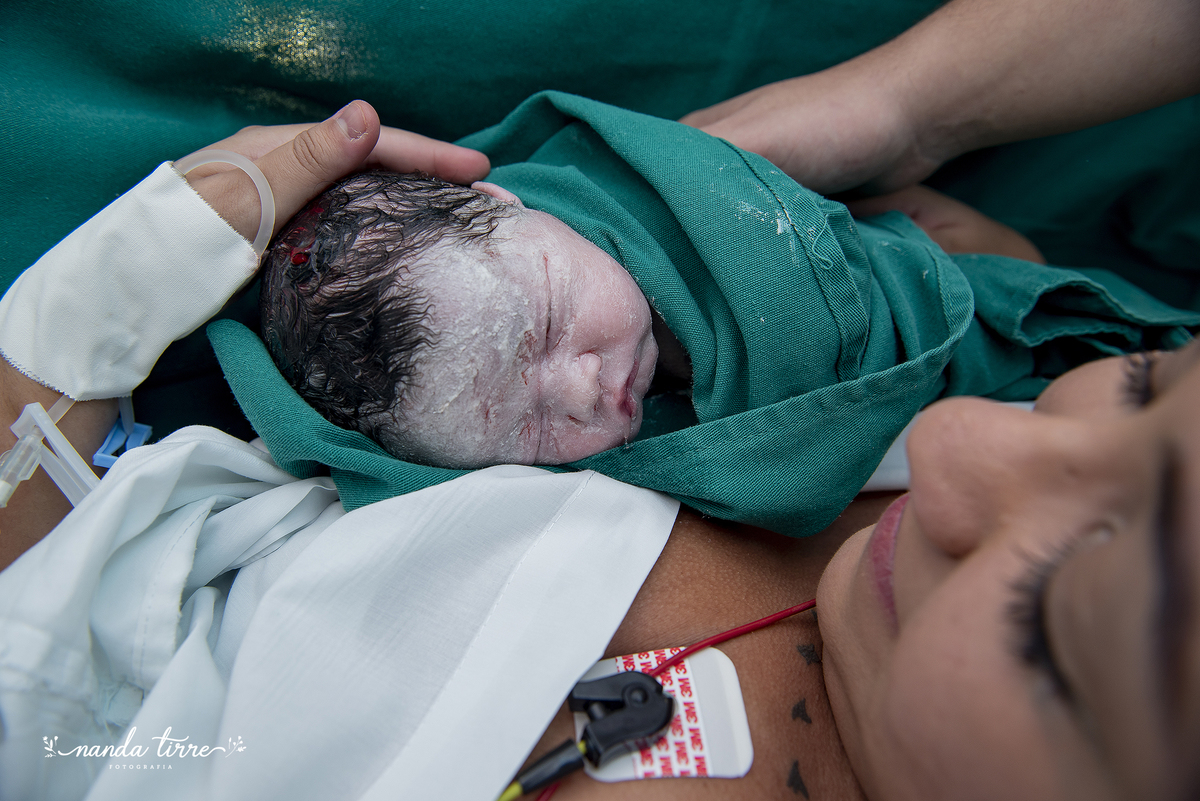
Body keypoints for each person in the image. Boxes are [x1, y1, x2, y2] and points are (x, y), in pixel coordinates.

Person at [257, 169, 1046, 470]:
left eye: (551, 321)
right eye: (527, 431)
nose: (580, 389)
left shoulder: (644, 202)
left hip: (916, 257)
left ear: (504, 203)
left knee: (1009, 283)